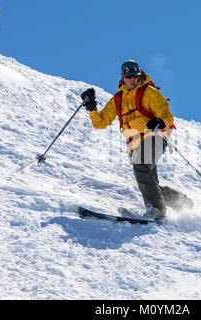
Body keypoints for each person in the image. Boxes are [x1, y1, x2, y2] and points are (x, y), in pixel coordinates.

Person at [80, 60, 193, 220]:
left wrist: (159, 121)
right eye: (129, 76)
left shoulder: (149, 92)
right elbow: (101, 123)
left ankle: (156, 210)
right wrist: (92, 107)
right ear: (123, 78)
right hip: (136, 144)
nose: (132, 79)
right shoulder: (118, 99)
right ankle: (182, 202)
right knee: (149, 183)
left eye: (135, 76)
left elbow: (166, 114)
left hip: (154, 136)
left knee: (141, 166)